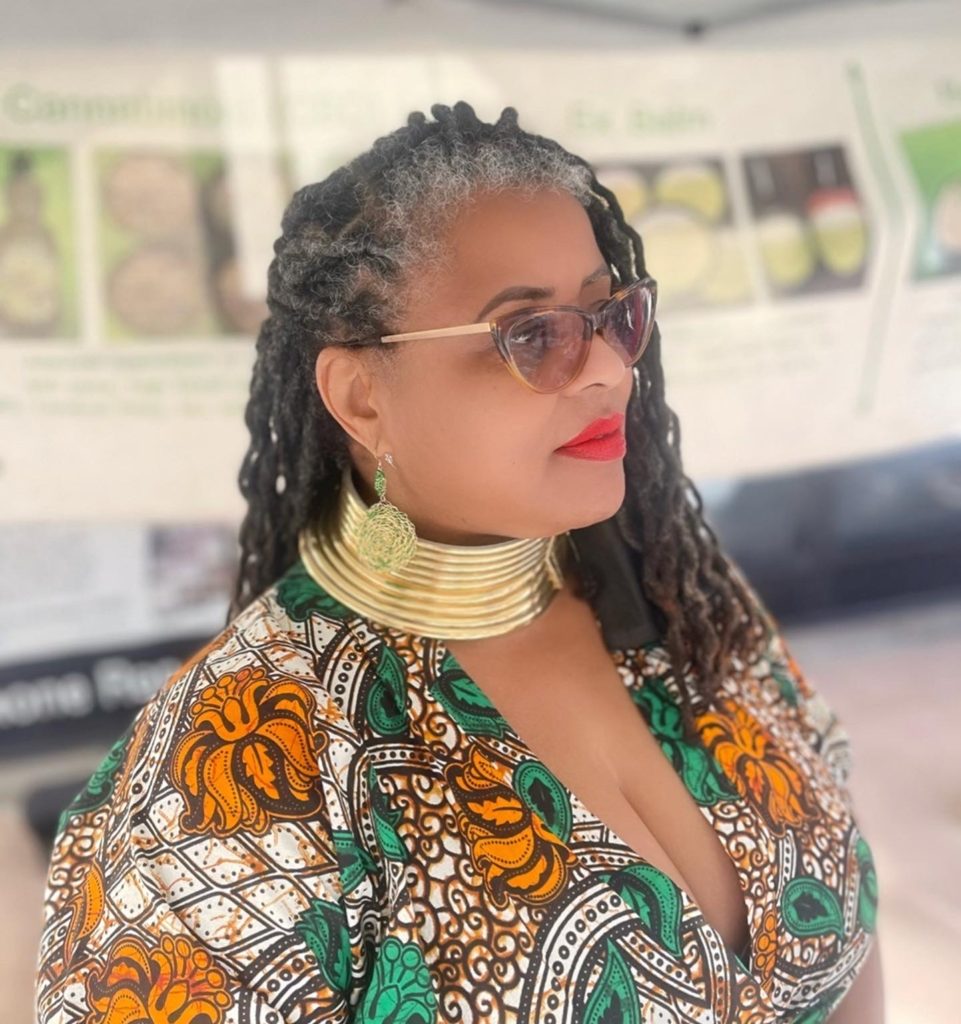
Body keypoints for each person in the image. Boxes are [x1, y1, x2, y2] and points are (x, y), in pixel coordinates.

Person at [35, 102, 883, 1023]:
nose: (609, 370)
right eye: (531, 334)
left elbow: (846, 938)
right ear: (362, 397)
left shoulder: (683, 603)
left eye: (609, 315)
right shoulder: (238, 760)